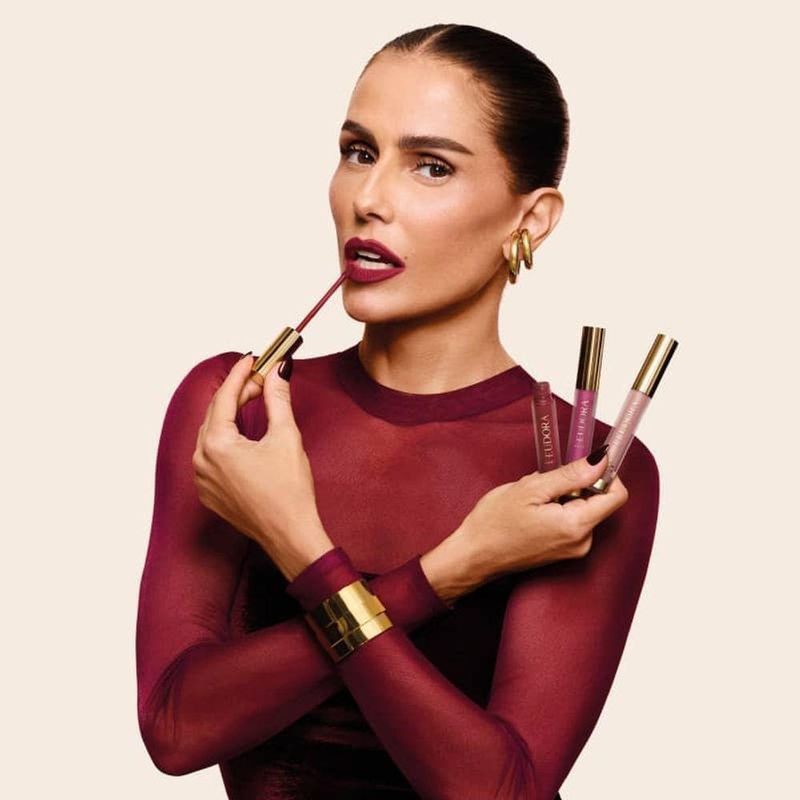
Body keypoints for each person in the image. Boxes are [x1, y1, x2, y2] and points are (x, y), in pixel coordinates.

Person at [136, 23, 659, 800]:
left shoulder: (578, 469)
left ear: (531, 221)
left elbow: (504, 791)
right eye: (359, 152)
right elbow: (176, 731)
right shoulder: (238, 414)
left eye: (432, 166)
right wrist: (447, 571)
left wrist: (300, 547)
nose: (369, 199)